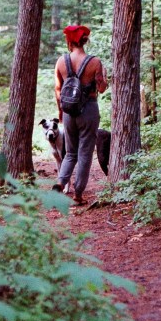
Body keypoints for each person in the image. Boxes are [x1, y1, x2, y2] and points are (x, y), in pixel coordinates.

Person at [52, 23, 107, 205]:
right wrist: (104, 78)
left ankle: (60, 182)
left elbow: (58, 89)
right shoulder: (95, 62)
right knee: (84, 153)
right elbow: (102, 88)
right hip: (89, 109)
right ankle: (78, 193)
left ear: (69, 41)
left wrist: (61, 112)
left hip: (68, 112)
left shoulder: (61, 61)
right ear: (85, 41)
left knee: (70, 153)